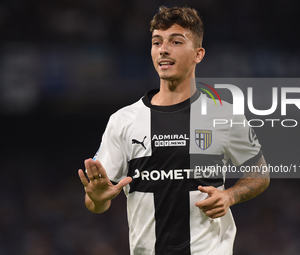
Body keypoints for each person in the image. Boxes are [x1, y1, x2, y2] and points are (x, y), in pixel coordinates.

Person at [78, 6, 270, 255]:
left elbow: (260, 174)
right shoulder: (123, 120)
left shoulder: (224, 115)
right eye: (156, 42)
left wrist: (230, 196)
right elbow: (95, 203)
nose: (163, 49)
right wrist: (99, 197)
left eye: (176, 41)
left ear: (198, 54)